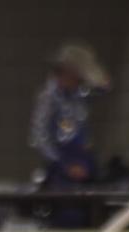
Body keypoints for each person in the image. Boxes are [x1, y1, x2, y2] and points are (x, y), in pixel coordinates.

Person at [29, 42, 110, 192]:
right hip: (61, 168)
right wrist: (65, 165)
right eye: (75, 73)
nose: (78, 79)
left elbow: (103, 87)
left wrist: (91, 69)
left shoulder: (78, 94)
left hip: (84, 160)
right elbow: (40, 138)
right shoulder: (48, 98)